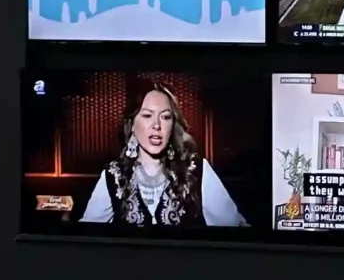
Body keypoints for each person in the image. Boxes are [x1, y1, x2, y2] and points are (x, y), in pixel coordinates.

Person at [80, 84, 247, 229]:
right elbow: (85, 238)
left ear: (172, 125)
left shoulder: (196, 170)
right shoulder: (114, 175)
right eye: (147, 115)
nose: (157, 125)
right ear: (131, 124)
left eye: (165, 117)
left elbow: (235, 230)